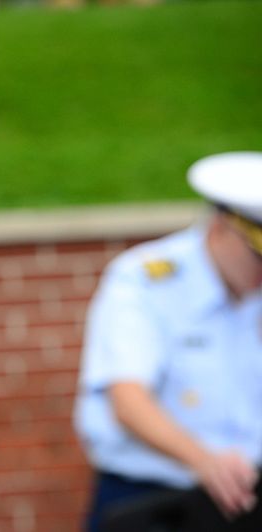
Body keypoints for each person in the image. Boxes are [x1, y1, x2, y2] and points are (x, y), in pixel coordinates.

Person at [74, 152, 262, 531]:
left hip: (246, 497)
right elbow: (127, 399)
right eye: (258, 257)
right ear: (222, 227)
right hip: (154, 503)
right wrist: (205, 461)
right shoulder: (145, 281)